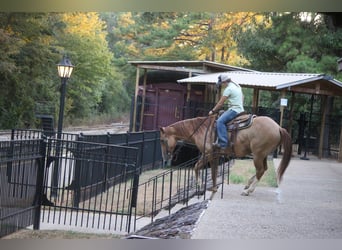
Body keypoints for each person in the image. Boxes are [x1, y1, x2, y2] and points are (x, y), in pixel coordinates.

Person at [208, 74, 244, 150]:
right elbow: (243, 97)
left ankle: (223, 143)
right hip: (240, 109)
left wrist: (213, 111)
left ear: (224, 82)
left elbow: (220, 103)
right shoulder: (237, 86)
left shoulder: (228, 89)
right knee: (222, 114)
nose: (222, 85)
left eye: (222, 83)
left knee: (220, 122)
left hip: (234, 110)